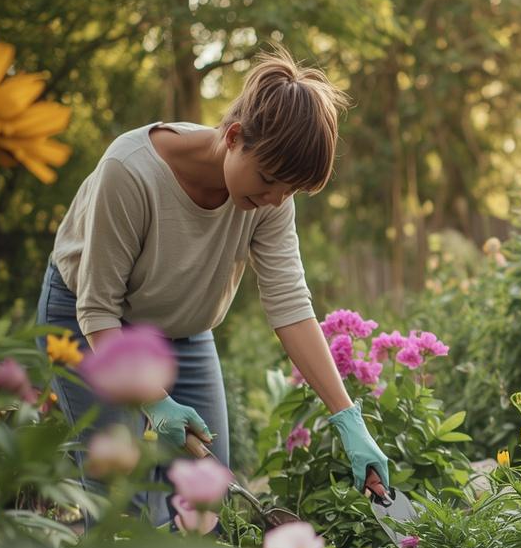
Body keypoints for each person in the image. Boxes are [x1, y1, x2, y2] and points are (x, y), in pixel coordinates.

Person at [37, 46, 389, 521]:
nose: (274, 200)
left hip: (182, 328)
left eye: (287, 191)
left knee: (208, 502)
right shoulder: (131, 171)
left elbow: (290, 305)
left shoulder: (271, 199)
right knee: (119, 497)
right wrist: (155, 403)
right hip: (91, 322)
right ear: (234, 135)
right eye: (268, 181)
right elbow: (99, 309)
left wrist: (348, 418)